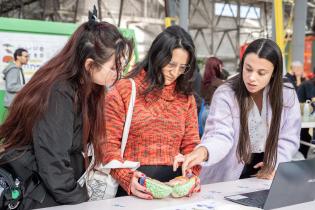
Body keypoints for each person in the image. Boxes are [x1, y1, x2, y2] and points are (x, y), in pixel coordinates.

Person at [0, 13, 132, 209]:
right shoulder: (59, 92)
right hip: (35, 188)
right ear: (89, 65)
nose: (117, 74)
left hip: (51, 186)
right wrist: (80, 201)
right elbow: (53, 162)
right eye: (113, 67)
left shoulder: (87, 88)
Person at [174, 38, 301, 184]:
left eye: (261, 73)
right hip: (227, 176)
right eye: (248, 69)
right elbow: (220, 134)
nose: (252, 78)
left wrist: (276, 162)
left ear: (274, 73)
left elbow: (289, 138)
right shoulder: (227, 93)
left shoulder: (286, 94)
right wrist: (204, 151)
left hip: (266, 174)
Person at [102, 25, 201, 199]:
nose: (175, 72)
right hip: (132, 189)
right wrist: (126, 177)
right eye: (171, 64)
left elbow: (191, 145)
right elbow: (107, 145)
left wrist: (191, 175)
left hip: (173, 192)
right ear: (157, 56)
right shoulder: (124, 90)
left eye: (182, 67)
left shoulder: (186, 98)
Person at [199, 57, 225, 135]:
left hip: (204, 113)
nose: (221, 69)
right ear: (216, 67)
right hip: (214, 113)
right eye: (220, 66)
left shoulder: (204, 82)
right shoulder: (218, 83)